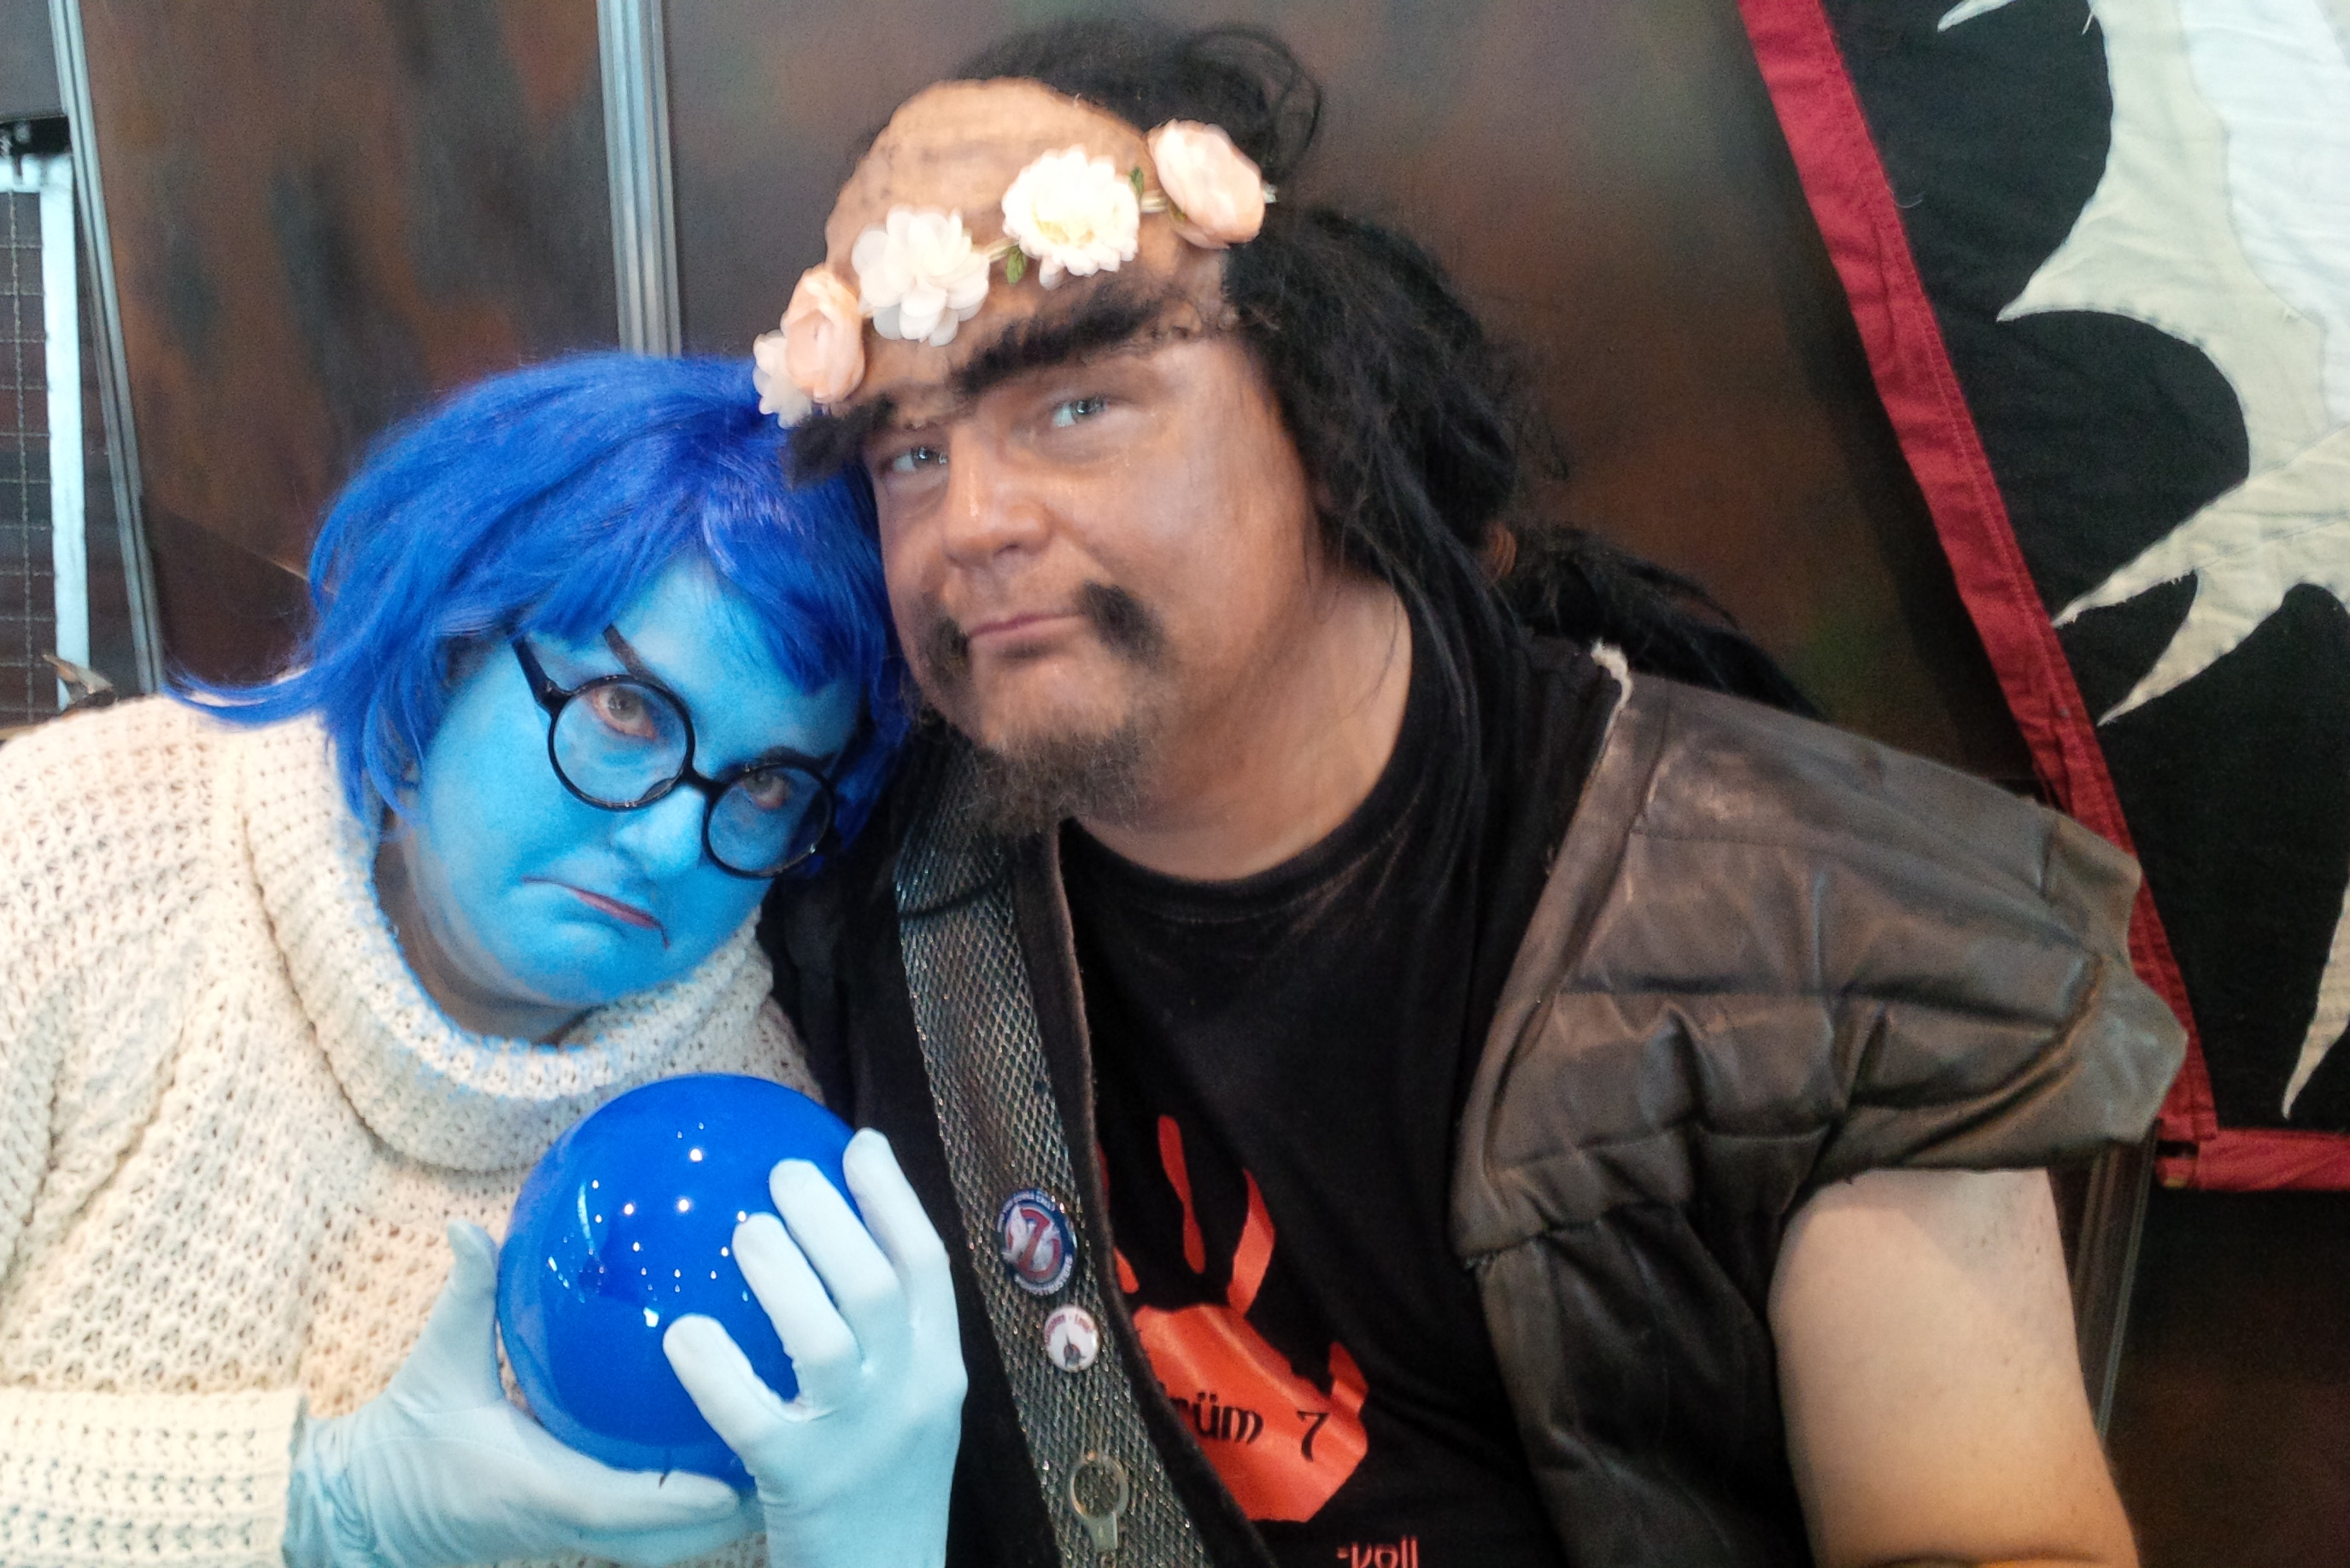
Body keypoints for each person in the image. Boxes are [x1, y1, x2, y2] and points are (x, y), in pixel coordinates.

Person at [758, 21, 2184, 1568]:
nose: (969, 523)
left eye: (1075, 406)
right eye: (906, 456)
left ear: (1324, 414)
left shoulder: (1816, 940)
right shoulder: (852, 911)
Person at [0, 354, 968, 1568]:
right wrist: (320, 1506)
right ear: (450, 645)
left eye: (767, 785)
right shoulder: (80, 855)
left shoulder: (748, 1147)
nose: (673, 839)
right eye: (624, 709)